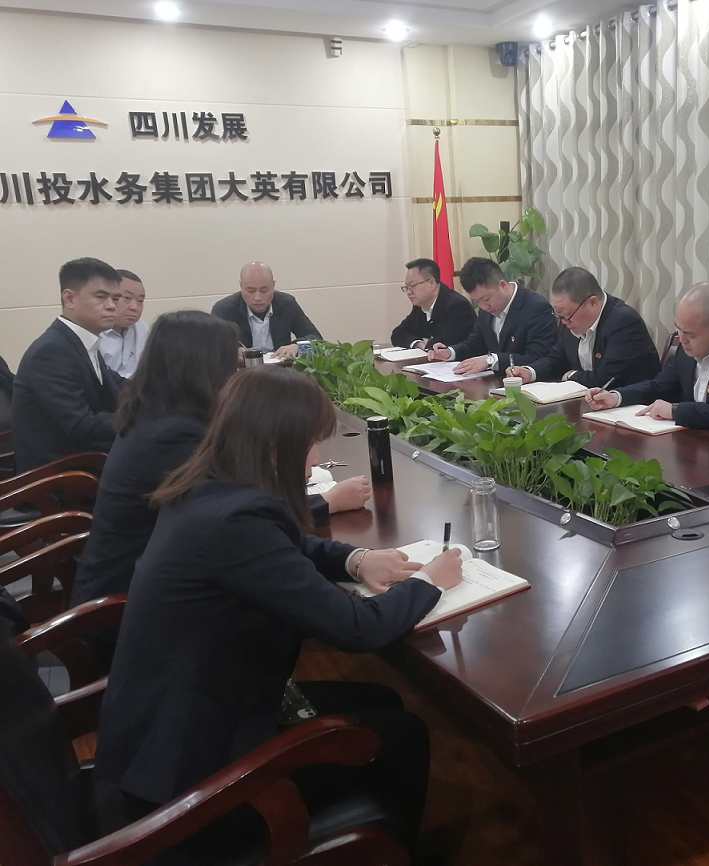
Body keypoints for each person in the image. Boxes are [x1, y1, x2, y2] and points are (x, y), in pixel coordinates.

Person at [95, 366, 462, 856]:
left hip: (172, 722)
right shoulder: (235, 520)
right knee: (404, 734)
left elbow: (286, 547)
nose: (316, 458)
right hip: (194, 776)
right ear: (273, 445)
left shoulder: (208, 489)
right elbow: (358, 628)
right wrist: (428, 581)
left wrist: (355, 558)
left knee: (380, 699)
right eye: (310, 443)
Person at [69, 311, 371, 667]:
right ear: (205, 368)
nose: (237, 376)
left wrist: (351, 557)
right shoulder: (177, 435)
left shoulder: (155, 413)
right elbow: (242, 523)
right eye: (233, 365)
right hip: (133, 616)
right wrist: (325, 502)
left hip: (139, 587)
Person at [586, 283, 709, 436]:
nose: (682, 339)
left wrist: (676, 411)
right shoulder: (687, 346)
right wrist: (616, 397)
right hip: (696, 442)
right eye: (678, 329)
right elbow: (658, 386)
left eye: (690, 334)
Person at [11, 257, 126, 472]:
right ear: (70, 298)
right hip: (60, 475)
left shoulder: (81, 342)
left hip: (88, 457)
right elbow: (81, 425)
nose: (112, 306)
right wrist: (138, 420)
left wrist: (162, 396)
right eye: (101, 297)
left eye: (116, 298)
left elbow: (119, 386)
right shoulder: (50, 352)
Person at [506, 266, 661, 389]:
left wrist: (571, 376)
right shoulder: (570, 320)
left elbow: (606, 378)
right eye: (558, 314)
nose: (563, 321)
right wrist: (530, 371)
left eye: (566, 314)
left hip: (632, 409)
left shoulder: (624, 322)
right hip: (591, 405)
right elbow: (557, 358)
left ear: (592, 303)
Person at [426, 256, 555, 375]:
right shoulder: (487, 310)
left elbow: (537, 357)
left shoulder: (536, 307)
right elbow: (476, 343)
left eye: (486, 299)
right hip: (496, 381)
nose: (484, 306)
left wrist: (492, 360)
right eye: (477, 302)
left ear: (503, 285)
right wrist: (450, 352)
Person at [211, 261, 322, 359]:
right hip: (243, 370)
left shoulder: (287, 304)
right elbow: (212, 348)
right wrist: (231, 353)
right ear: (241, 286)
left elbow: (317, 340)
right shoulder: (224, 309)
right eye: (250, 291)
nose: (257, 297)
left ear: (273, 285)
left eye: (264, 290)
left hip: (281, 369)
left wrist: (298, 347)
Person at [390, 258, 476, 350]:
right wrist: (419, 344)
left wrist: (427, 344)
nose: (409, 292)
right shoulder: (420, 306)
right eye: (407, 287)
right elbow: (398, 334)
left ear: (432, 283)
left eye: (413, 286)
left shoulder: (458, 306)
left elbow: (444, 344)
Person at [99, 269, 150, 377]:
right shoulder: (93, 331)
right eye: (127, 298)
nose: (134, 307)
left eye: (140, 301)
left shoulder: (140, 327)